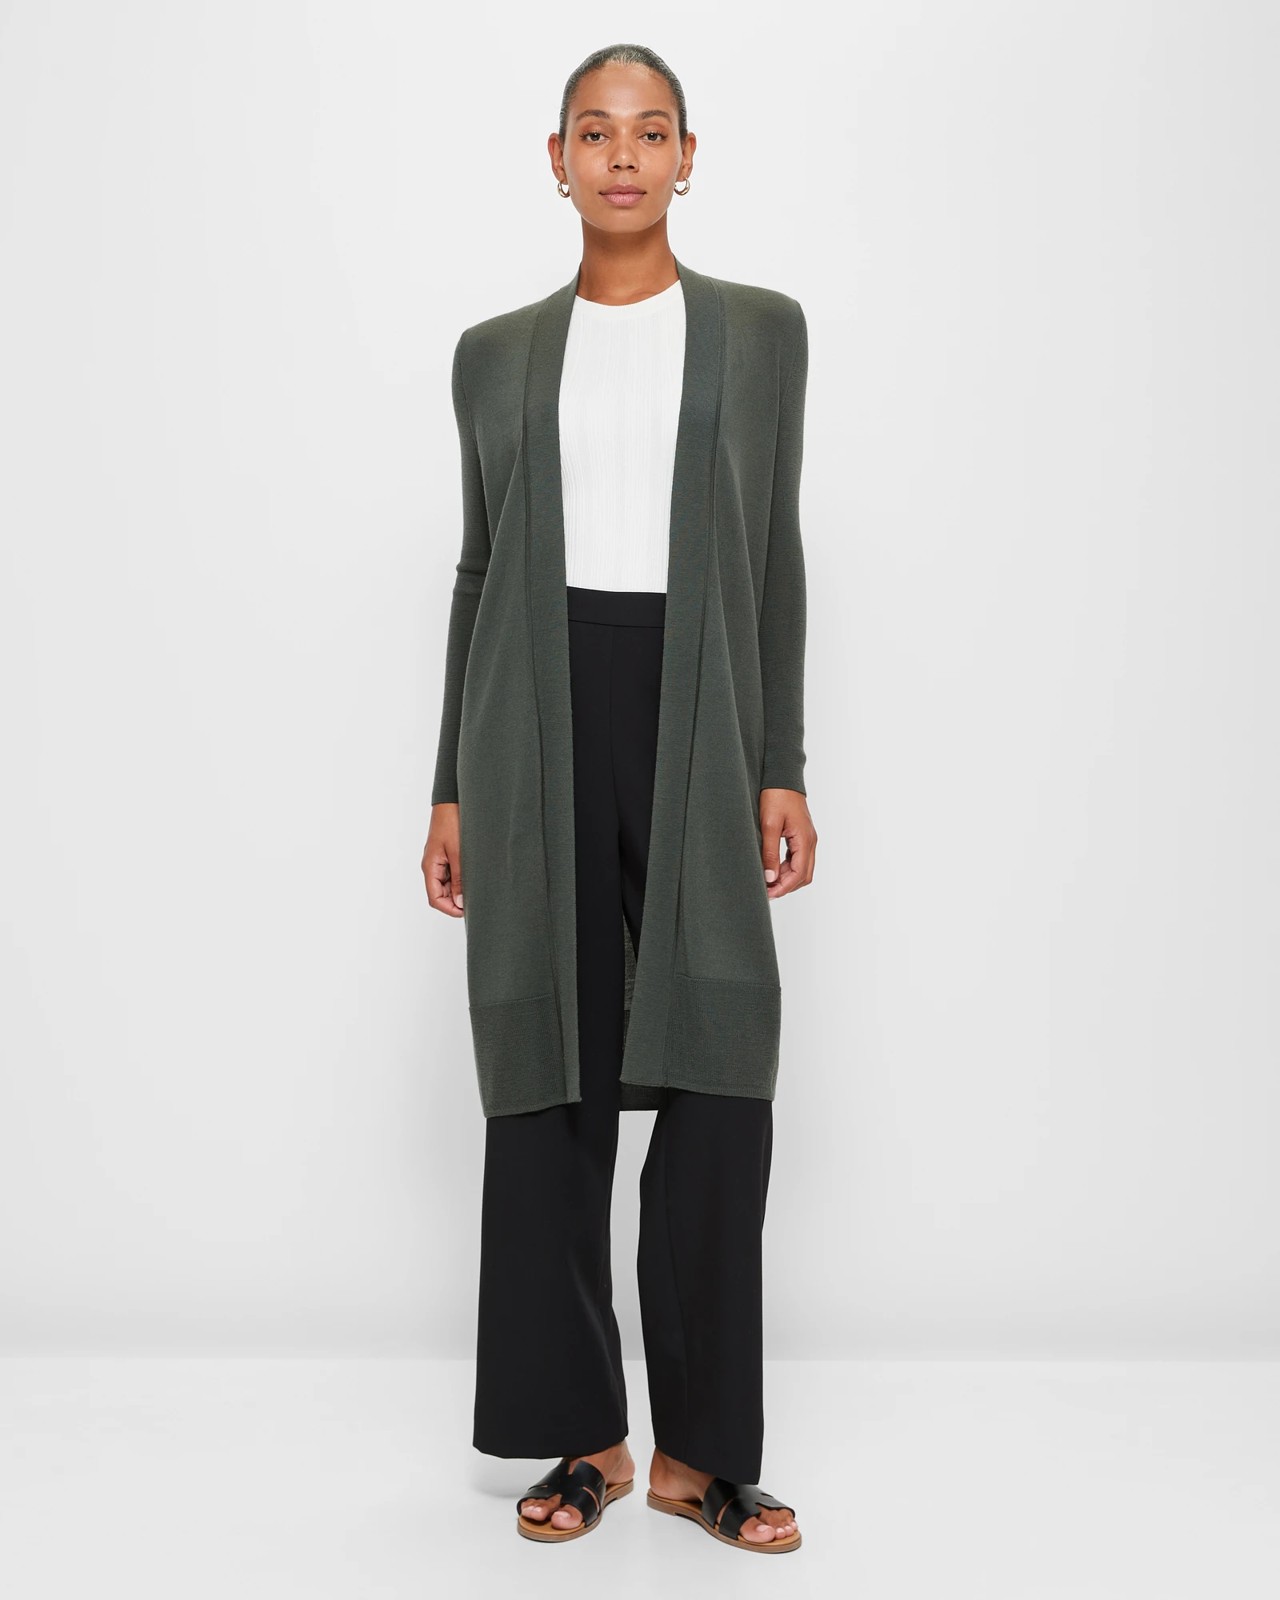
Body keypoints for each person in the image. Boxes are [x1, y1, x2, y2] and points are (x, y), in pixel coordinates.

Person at [421, 42, 816, 1554]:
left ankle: (703, 1455)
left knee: (720, 1060)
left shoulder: (762, 334)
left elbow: (772, 557)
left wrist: (781, 761)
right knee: (550, 1067)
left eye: (651, 133)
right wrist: (450, 786)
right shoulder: (494, 354)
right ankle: (582, 1433)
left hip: (701, 717)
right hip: (531, 722)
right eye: (597, 133)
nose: (625, 157)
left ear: (689, 157)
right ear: (558, 159)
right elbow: (479, 570)